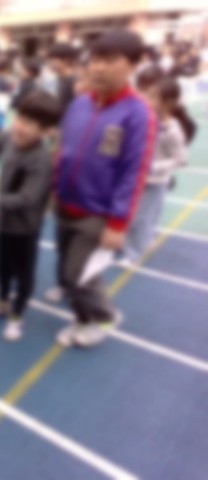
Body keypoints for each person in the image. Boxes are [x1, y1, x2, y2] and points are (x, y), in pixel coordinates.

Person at [53, 29, 156, 348]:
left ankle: (106, 316)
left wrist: (118, 223)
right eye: (95, 59)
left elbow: (134, 172)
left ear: (133, 65)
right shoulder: (79, 104)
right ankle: (83, 319)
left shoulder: (138, 113)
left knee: (77, 275)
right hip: (65, 204)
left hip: (97, 213)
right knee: (66, 274)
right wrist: (54, 190)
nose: (98, 67)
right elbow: (63, 149)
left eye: (110, 60)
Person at [0, 90, 61, 342]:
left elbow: (27, 198)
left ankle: (17, 315)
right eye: (19, 118)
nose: (20, 127)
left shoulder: (41, 160)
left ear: (46, 131)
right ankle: (2, 304)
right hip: (4, 224)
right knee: (2, 267)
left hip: (25, 228)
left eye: (29, 123)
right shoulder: (9, 139)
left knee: (23, 273)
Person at [120, 69, 195, 266]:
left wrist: (154, 167)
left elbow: (181, 159)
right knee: (134, 215)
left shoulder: (172, 130)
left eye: (153, 96)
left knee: (140, 218)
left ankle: (134, 254)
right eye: (147, 94)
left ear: (167, 103)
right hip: (136, 176)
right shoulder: (145, 119)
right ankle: (139, 241)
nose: (146, 98)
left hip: (154, 182)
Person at [47, 43, 79, 114]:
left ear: (67, 59)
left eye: (53, 59)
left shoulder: (74, 82)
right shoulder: (60, 79)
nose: (50, 63)